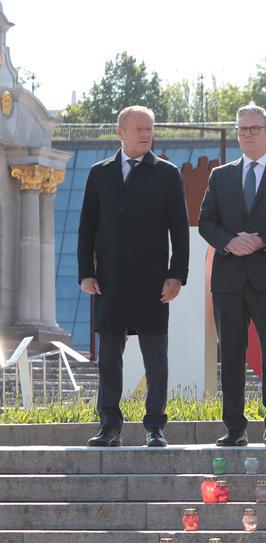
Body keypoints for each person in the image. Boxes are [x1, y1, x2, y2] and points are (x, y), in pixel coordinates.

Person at [198, 103, 266, 446]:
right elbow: (206, 222)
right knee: (230, 353)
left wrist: (261, 241)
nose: (247, 135)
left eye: (254, 129)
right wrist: (230, 242)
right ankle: (234, 428)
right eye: (242, 129)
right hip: (229, 278)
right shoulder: (221, 175)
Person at [78, 105, 189, 447]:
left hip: (152, 282)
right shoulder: (99, 174)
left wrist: (177, 275)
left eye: (150, 129)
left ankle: (155, 427)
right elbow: (86, 228)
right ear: (120, 132)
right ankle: (109, 427)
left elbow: (180, 230)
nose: (146, 134)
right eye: (139, 128)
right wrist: (86, 272)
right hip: (109, 282)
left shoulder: (167, 174)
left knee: (156, 358)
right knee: (109, 359)